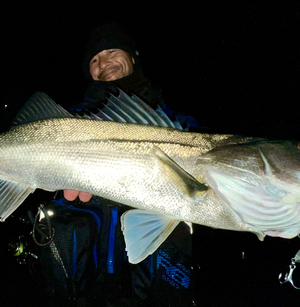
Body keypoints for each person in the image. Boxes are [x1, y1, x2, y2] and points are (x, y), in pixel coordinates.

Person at [38, 22, 199, 307]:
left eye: (112, 51)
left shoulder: (179, 126)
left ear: (133, 57)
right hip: (85, 286)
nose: (104, 63)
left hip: (149, 289)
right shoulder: (70, 121)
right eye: (94, 60)